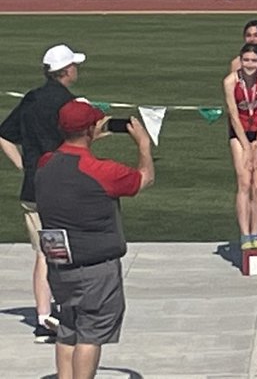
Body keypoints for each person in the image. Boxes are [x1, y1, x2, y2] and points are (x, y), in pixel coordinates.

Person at [35, 100, 154, 379]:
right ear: (90, 129)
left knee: (68, 328)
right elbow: (144, 178)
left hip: (60, 264)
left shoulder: (45, 163)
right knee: (91, 334)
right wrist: (144, 146)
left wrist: (87, 135)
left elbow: (70, 157)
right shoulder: (102, 171)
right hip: (95, 268)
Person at [0, 44, 84, 338]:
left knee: (42, 252)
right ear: (66, 71)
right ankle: (66, 310)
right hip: (61, 186)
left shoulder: (31, 99)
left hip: (33, 186)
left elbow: (4, 135)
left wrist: (25, 166)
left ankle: (43, 315)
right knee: (65, 250)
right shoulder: (70, 104)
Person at [222, 44, 257, 250]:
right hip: (239, 133)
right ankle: (244, 235)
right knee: (244, 181)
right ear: (240, 61)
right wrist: (246, 146)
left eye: (254, 61)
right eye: (246, 60)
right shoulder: (230, 81)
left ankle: (254, 232)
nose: (249, 65)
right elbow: (233, 114)